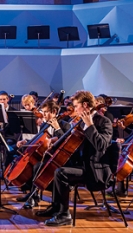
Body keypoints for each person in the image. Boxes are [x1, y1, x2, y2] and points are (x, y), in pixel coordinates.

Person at [36, 90, 113, 226]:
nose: (74, 109)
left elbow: (101, 146)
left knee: (61, 173)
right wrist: (56, 145)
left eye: (76, 106)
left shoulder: (103, 122)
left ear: (84, 105)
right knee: (53, 165)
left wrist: (90, 125)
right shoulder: (79, 122)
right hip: (82, 164)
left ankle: (64, 215)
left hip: (95, 170)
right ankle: (56, 207)